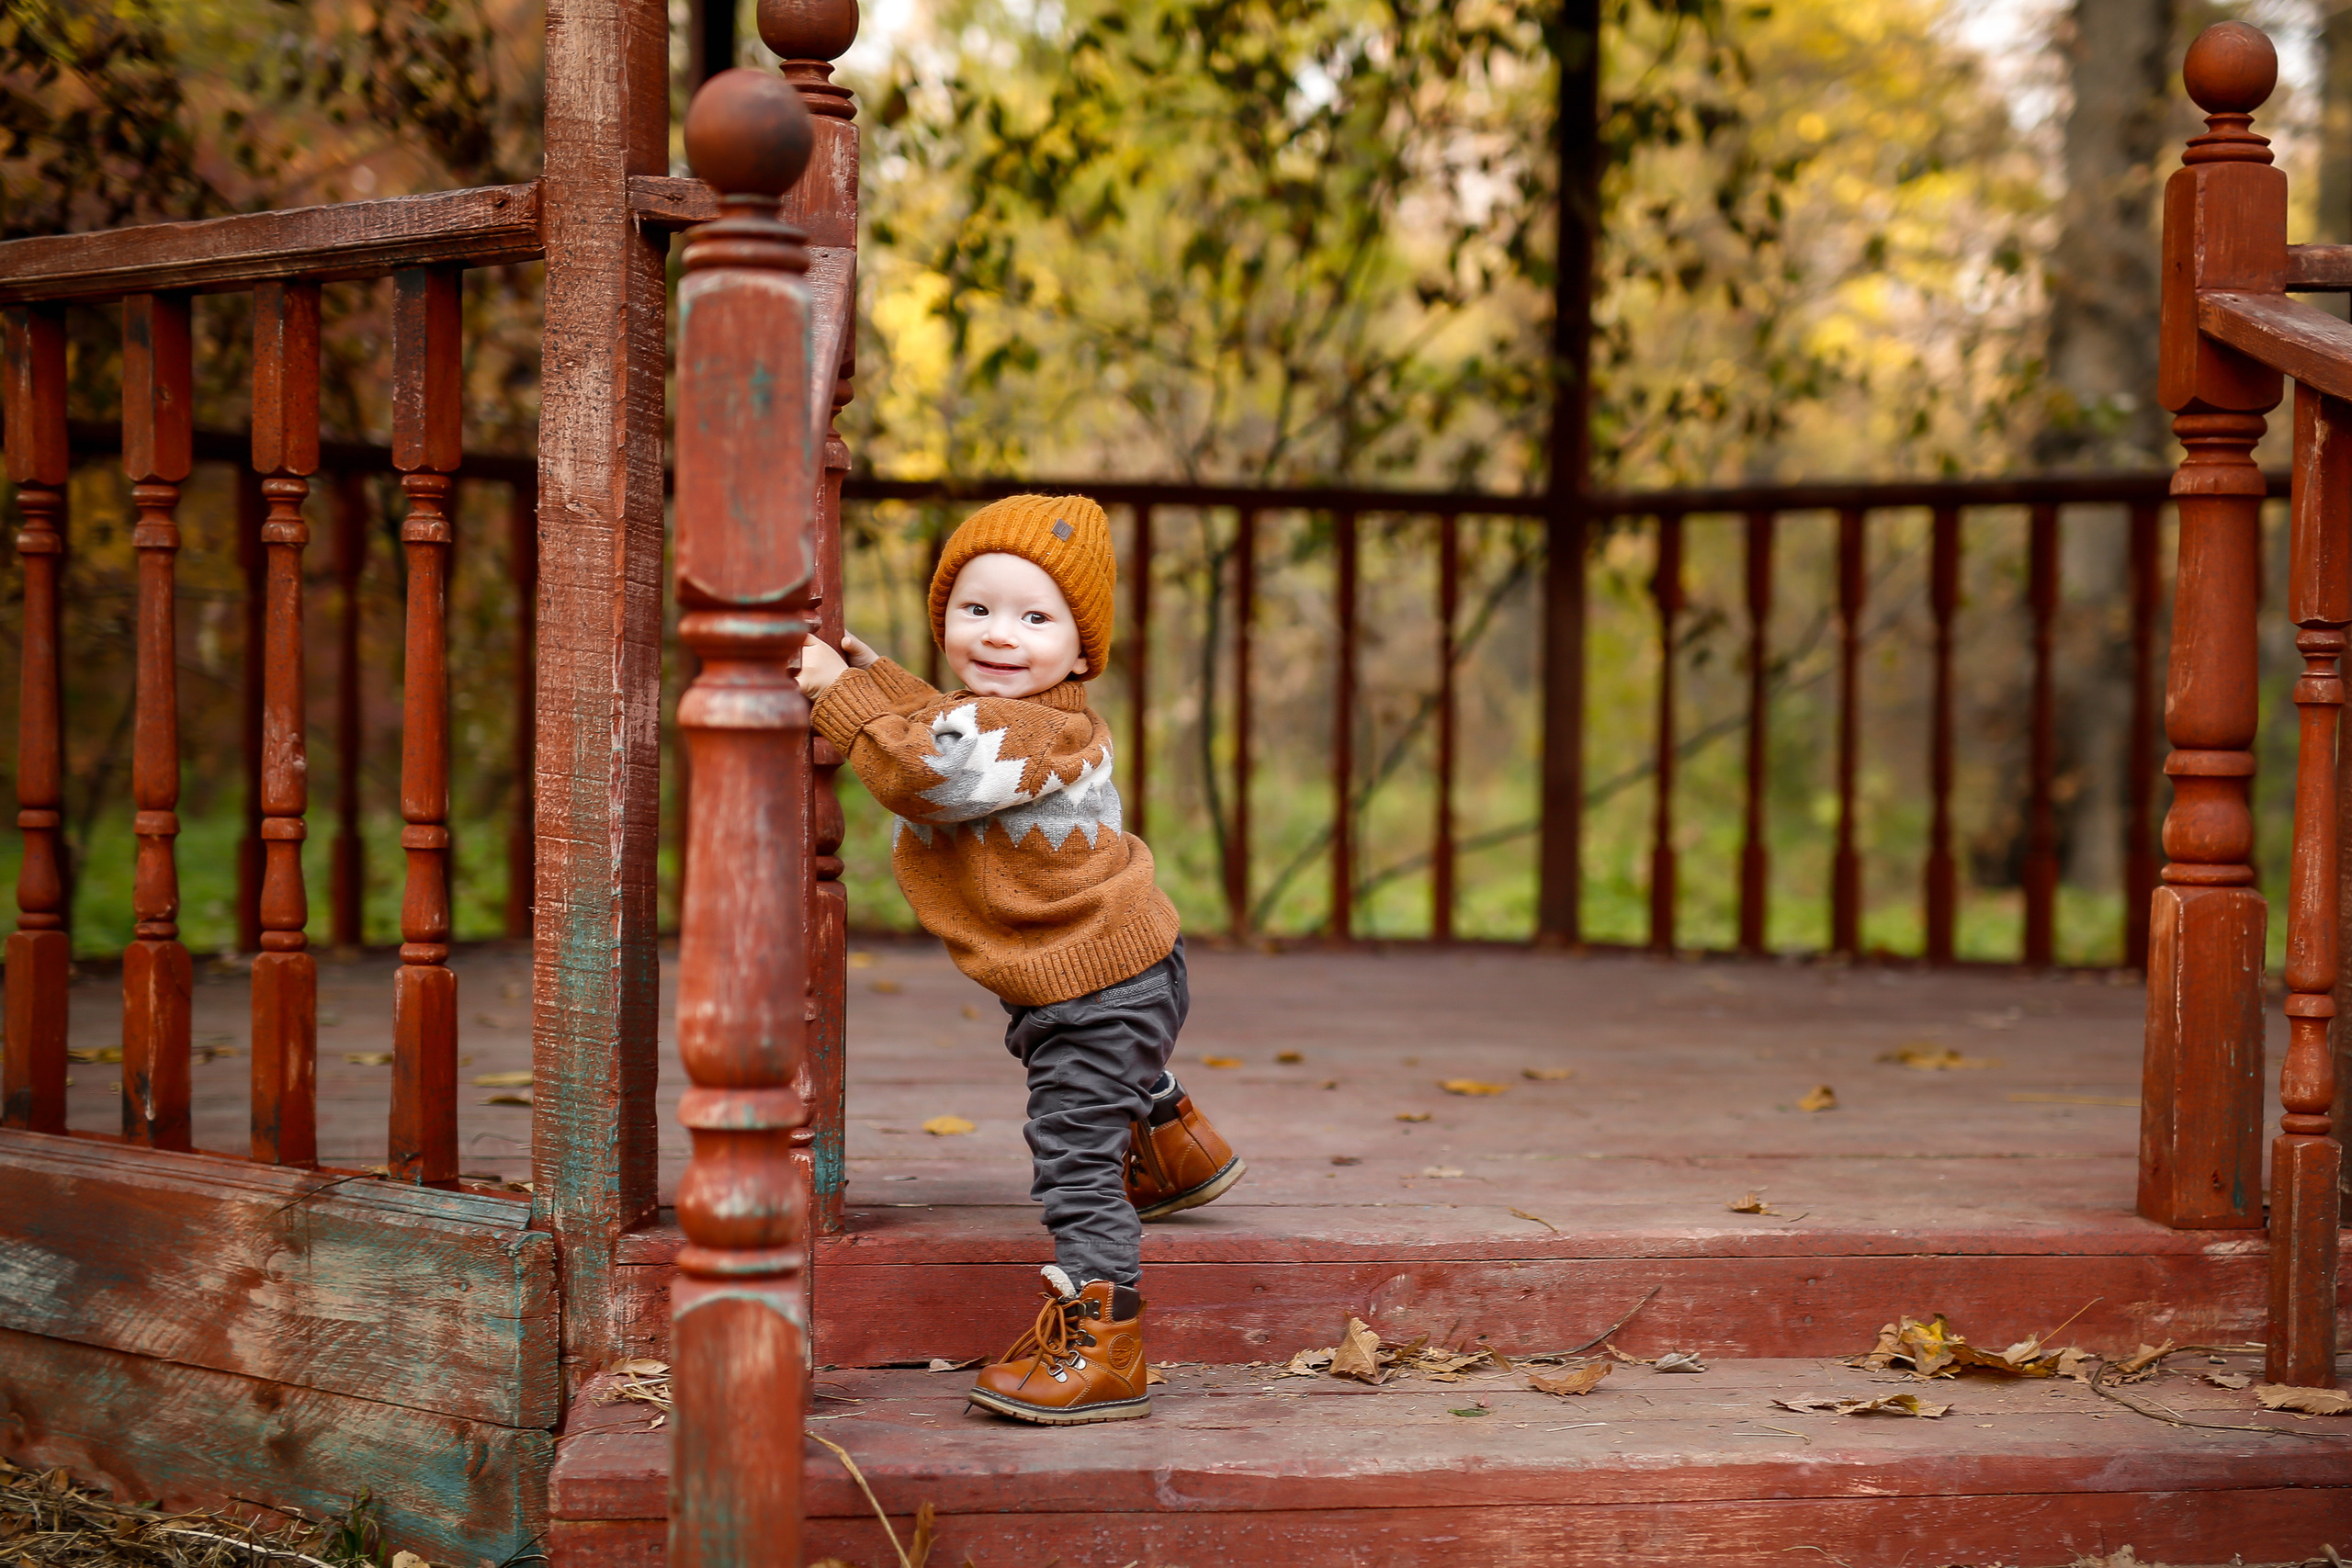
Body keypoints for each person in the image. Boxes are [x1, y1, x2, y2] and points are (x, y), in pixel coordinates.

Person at [796, 492, 1246, 1425]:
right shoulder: (1000, 714)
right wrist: (870, 679)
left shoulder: (1040, 733)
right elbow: (938, 721)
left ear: (1082, 653)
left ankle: (1105, 1337)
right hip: (1103, 974)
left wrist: (836, 700)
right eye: (976, 609)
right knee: (1099, 1075)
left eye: (1035, 618)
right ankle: (1171, 1143)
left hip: (1099, 984)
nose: (1001, 634)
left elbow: (930, 771)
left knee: (1072, 1156)